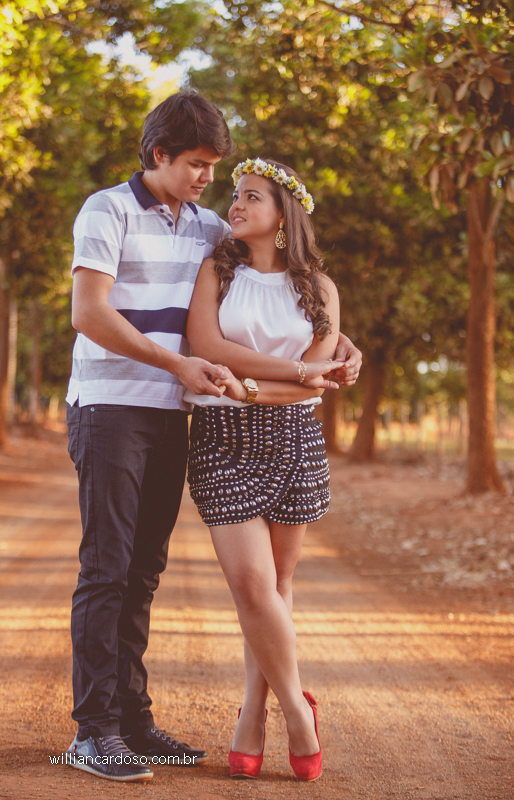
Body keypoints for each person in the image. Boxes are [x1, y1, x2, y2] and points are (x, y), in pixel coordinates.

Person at [65, 91, 362, 783]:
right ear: (159, 154)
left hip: (173, 413)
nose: (207, 179)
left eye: (214, 167)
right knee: (106, 567)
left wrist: (346, 346)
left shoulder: (206, 229)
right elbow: (89, 313)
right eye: (196, 164)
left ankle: (133, 719)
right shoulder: (105, 210)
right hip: (111, 405)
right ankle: (94, 729)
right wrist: (178, 362)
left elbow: (278, 293)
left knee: (144, 571)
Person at [185, 157, 343, 781]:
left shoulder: (321, 290)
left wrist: (253, 386)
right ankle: (300, 715)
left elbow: (317, 383)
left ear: (283, 215)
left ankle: (253, 710)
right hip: (222, 437)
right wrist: (295, 373)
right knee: (253, 585)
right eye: (236, 195)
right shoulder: (216, 272)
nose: (237, 204)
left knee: (277, 586)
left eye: (252, 196)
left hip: (295, 437)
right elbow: (208, 347)